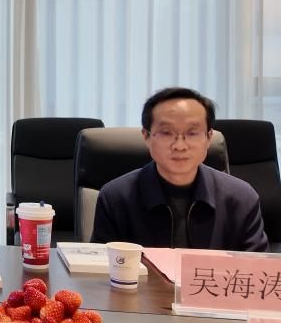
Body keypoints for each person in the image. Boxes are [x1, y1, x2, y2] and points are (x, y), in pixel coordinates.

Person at [91, 87, 269, 251]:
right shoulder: (116, 197)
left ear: (208, 137)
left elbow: (259, 269)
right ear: (146, 136)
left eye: (192, 133)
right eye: (166, 133)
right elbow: (99, 269)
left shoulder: (241, 198)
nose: (180, 146)